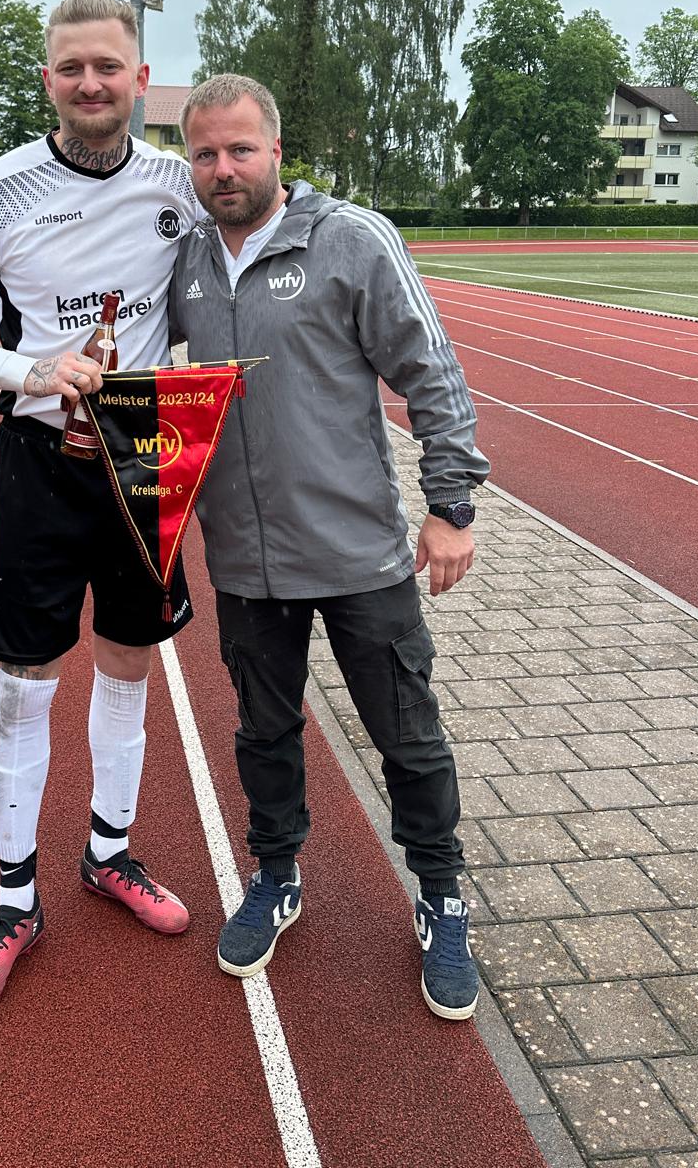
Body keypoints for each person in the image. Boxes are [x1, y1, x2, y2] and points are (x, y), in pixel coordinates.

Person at [0, 0, 199, 1019]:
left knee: (129, 660)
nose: (90, 82)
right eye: (72, 67)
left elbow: (259, 220)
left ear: (140, 79)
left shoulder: (177, 182)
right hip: (39, 457)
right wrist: (29, 370)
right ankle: (15, 903)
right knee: (25, 681)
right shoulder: (1, 187)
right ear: (48, 81)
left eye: (108, 66)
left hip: (143, 450)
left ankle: (109, 854)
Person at [170, 74, 489, 1022]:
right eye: (205, 154)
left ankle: (441, 895)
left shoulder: (351, 239)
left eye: (240, 149)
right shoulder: (185, 259)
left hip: (358, 555)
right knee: (263, 732)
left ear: (276, 151)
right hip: (244, 561)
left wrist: (450, 506)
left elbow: (432, 373)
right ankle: (277, 875)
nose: (224, 169)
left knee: (408, 736)